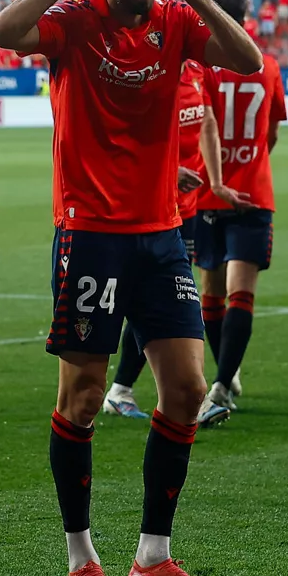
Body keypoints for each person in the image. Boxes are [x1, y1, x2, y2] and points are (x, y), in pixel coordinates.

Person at [0, 0, 263, 576]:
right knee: (80, 398)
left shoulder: (176, 20)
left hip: (162, 233)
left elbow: (248, 60)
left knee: (186, 390)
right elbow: (2, 31)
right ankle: (81, 560)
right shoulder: (75, 21)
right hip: (89, 232)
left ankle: (152, 560)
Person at [103, 59, 223, 419]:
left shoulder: (197, 72)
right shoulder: (152, 74)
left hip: (184, 207)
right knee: (163, 298)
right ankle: (179, 394)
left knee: (165, 298)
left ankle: (124, 390)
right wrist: (169, 172)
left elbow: (208, 124)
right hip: (147, 204)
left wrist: (214, 182)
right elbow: (124, 138)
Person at [195, 0, 287, 423]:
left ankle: (224, 376)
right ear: (245, 21)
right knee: (241, 295)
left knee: (210, 293)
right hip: (253, 191)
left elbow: (197, 127)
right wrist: (248, 160)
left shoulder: (202, 69)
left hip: (207, 193)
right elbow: (271, 134)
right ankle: (223, 379)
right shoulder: (266, 66)